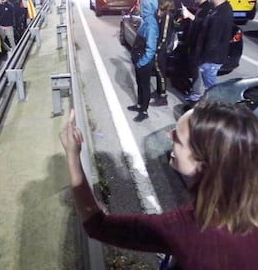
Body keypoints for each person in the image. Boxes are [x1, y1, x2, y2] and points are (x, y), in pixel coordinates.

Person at [60, 102, 258, 269]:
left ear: (203, 165)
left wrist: (72, 156)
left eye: (178, 139)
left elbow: (98, 226)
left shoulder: (184, 229)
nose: (168, 135)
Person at [197, 0, 233, 93]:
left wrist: (202, 58)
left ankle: (210, 108)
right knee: (209, 87)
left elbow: (213, 41)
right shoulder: (224, 8)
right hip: (214, 58)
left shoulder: (219, 15)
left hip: (211, 59)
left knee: (210, 89)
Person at [127, 0, 159, 122]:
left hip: (144, 62)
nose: (138, 7)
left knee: (145, 86)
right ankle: (139, 105)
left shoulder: (150, 25)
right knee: (140, 84)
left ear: (146, 7)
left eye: (140, 5)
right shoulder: (146, 20)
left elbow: (151, 49)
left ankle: (144, 111)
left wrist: (141, 62)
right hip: (139, 60)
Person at [182, 0, 213, 102]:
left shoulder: (206, 9)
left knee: (197, 71)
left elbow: (201, 24)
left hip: (198, 46)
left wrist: (190, 16)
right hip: (194, 45)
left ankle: (198, 94)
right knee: (195, 71)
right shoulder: (203, 7)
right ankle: (196, 91)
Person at [151, 0, 176, 107]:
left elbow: (165, 35)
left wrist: (158, 48)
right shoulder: (161, 12)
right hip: (159, 47)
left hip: (161, 48)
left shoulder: (167, 15)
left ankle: (163, 97)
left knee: (161, 72)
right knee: (157, 70)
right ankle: (158, 91)